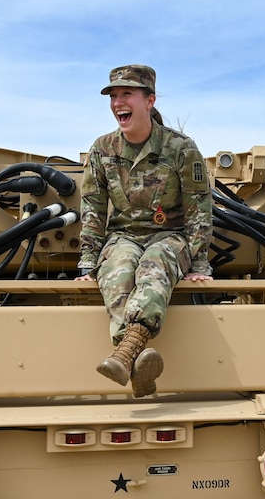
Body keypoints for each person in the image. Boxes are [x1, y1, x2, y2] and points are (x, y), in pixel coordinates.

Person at [75, 65, 213, 397]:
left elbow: (199, 206)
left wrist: (198, 264)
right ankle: (135, 366)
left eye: (127, 94)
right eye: (113, 96)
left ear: (149, 100)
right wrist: (88, 264)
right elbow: (92, 208)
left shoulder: (180, 148)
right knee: (120, 272)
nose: (118, 102)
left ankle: (123, 353)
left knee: (154, 266)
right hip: (122, 237)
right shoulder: (102, 149)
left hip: (170, 237)